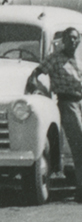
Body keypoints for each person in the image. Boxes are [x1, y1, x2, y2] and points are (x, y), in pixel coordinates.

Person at [26, 25, 82, 203]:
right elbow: (37, 72)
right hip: (67, 103)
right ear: (63, 41)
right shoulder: (55, 59)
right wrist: (35, 85)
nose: (72, 41)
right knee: (79, 145)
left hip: (79, 100)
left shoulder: (78, 59)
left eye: (75, 38)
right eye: (69, 38)